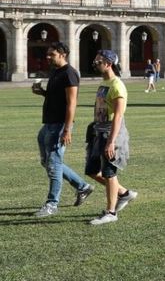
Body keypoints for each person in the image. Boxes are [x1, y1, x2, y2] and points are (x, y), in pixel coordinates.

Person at [32, 41, 93, 217]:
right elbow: (56, 97)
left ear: (62, 54)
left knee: (53, 164)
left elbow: (72, 103)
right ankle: (83, 187)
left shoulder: (70, 74)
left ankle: (52, 204)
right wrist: (42, 92)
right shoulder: (56, 72)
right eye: (48, 54)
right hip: (48, 124)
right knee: (48, 162)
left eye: (52, 54)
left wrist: (67, 129)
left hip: (59, 125)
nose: (48, 57)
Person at [85, 50, 138, 225]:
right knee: (92, 170)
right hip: (99, 132)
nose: (95, 63)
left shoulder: (117, 86)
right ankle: (124, 193)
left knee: (109, 172)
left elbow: (118, 116)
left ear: (108, 63)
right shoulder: (104, 82)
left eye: (98, 61)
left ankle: (111, 212)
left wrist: (111, 142)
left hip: (111, 133)